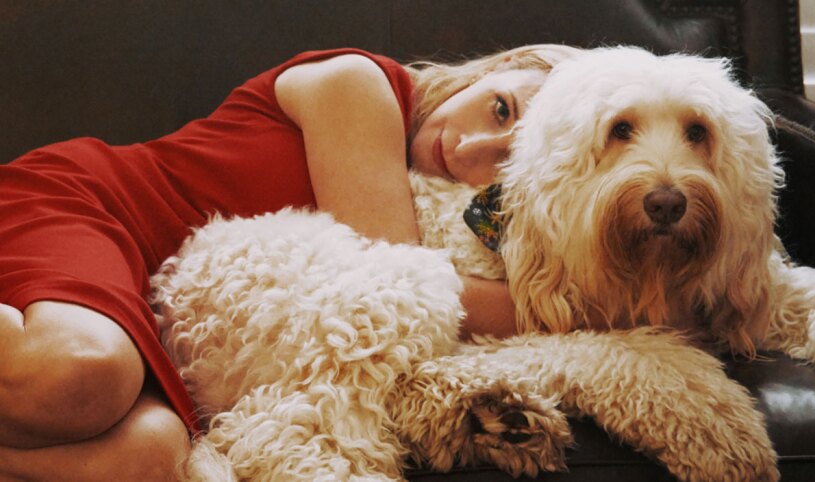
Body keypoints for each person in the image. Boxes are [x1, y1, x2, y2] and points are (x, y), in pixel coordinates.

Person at [0, 44, 580, 481]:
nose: (469, 148)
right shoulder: (362, 84)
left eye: (508, 166)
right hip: (93, 208)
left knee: (153, 454)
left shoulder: (450, 214)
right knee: (83, 371)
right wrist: (602, 308)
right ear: (491, 70)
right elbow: (401, 278)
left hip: (157, 327)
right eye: (500, 109)